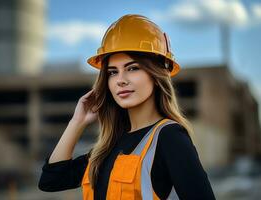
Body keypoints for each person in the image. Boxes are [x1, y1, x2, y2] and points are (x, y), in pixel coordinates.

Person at [38, 14, 216, 200]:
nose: (120, 80)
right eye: (113, 72)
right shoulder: (107, 147)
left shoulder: (169, 137)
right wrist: (77, 122)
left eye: (132, 68)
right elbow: (50, 180)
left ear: (157, 75)